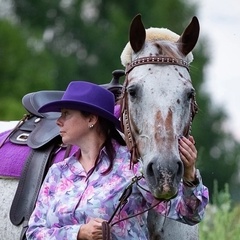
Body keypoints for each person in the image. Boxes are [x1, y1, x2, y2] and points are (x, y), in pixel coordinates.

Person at [26, 81, 209, 240]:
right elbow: (33, 233)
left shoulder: (134, 167)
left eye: (66, 113)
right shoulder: (58, 172)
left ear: (91, 118)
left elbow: (188, 214)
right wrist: (79, 233)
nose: (58, 121)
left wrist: (190, 175)